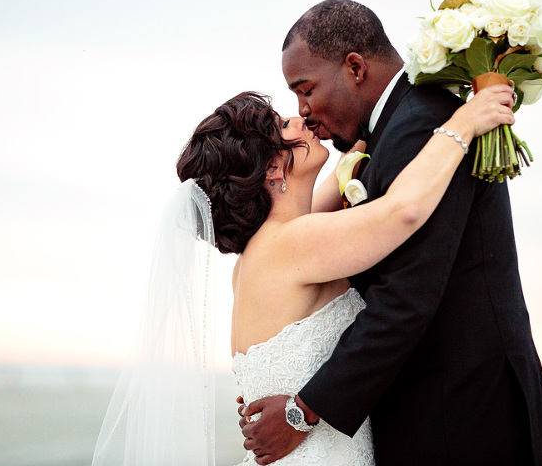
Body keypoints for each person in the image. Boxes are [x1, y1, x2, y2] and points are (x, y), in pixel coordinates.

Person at [237, 0, 542, 466]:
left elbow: (406, 296)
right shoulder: (388, 131)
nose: (303, 111)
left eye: (305, 90)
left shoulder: (424, 128)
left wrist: (303, 411)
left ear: (354, 67)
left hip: (464, 419)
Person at [174, 84, 514, 466]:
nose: (300, 118)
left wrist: (359, 141)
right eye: (284, 123)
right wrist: (464, 123)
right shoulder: (291, 245)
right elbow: (402, 211)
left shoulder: (264, 250)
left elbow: (330, 190)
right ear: (271, 168)